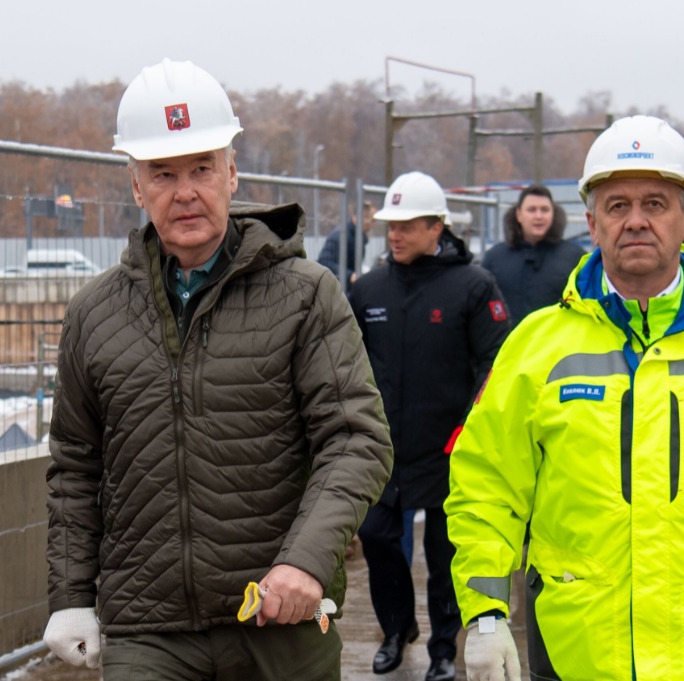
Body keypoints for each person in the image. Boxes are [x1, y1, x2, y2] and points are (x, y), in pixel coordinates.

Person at [445, 115, 684, 681]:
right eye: (617, 205)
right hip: (575, 648)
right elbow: (486, 486)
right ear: (592, 221)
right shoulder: (536, 346)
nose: (635, 221)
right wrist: (484, 613)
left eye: (655, 203)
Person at [42, 58, 393, 680]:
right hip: (147, 629)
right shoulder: (94, 314)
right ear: (135, 186)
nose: (185, 191)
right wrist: (70, 596)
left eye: (202, 167)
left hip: (279, 619)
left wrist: (306, 563)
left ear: (232, 173)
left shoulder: (306, 294)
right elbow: (76, 464)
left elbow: (354, 439)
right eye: (163, 173)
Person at [349, 171, 510, 681]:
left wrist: (470, 426)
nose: (394, 235)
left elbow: (496, 362)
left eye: (407, 226)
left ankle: (443, 648)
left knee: (443, 559)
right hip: (384, 447)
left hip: (447, 447)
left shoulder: (472, 285)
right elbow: (342, 358)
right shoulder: (369, 288)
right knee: (377, 538)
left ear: (436, 226)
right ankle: (396, 630)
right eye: (389, 226)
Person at [481, 184, 584, 326]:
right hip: (508, 344)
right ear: (518, 215)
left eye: (545, 210)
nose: (538, 216)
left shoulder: (575, 259)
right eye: (531, 210)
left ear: (553, 214)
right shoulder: (494, 259)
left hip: (557, 344)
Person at [317, 200, 375, 291]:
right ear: (359, 218)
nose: (373, 225)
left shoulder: (358, 236)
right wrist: (350, 275)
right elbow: (324, 261)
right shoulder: (341, 235)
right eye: (372, 220)